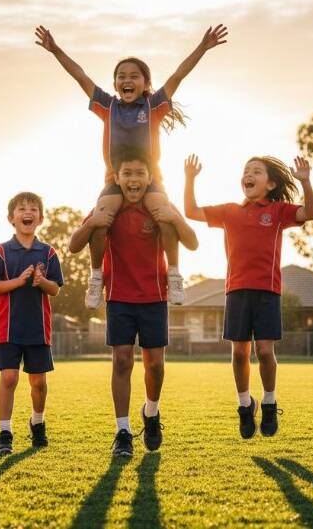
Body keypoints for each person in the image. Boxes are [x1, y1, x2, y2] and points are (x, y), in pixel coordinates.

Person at [36, 24, 227, 308]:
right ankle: (96, 275)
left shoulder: (153, 107)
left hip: (152, 179)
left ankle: (173, 274)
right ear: (115, 85)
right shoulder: (107, 106)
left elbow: (178, 75)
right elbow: (80, 76)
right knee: (101, 219)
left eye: (134, 76)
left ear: (146, 84)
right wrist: (55, 50)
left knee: (165, 215)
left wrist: (202, 47)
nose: (127, 80)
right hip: (115, 179)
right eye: (121, 76)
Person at [70, 146, 198, 457]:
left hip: (154, 297)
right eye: (127, 173)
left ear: (150, 177)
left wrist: (176, 219)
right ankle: (123, 431)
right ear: (117, 177)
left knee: (154, 366)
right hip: (119, 298)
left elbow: (192, 242)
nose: (134, 179)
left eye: (140, 173)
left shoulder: (159, 207)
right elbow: (75, 246)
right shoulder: (108, 208)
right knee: (122, 362)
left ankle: (151, 413)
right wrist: (90, 222)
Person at [184, 153, 313, 439]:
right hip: (236, 291)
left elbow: (310, 213)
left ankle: (269, 402)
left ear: (270, 184)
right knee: (239, 354)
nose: (249, 175)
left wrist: (305, 182)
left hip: (268, 292)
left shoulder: (278, 211)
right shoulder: (230, 211)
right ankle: (245, 405)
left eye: (256, 171)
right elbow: (191, 211)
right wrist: (189, 179)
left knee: (265, 352)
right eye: (246, 171)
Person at [0, 192, 63, 454]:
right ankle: (4, 433)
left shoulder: (49, 252)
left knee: (38, 383)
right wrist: (19, 281)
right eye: (21, 208)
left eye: (32, 209)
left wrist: (43, 282)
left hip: (38, 329)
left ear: (40, 218)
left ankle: (37, 422)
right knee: (8, 378)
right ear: (11, 218)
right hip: (8, 328)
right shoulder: (1, 251)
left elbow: (56, 290)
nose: (27, 212)